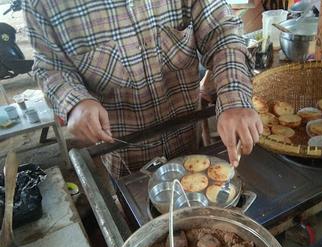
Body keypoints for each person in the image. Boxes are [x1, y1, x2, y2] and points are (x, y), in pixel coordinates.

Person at [23, 0, 263, 178]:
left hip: (188, 138)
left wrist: (233, 96)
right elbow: (50, 67)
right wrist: (75, 102)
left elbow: (221, 32)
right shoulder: (43, 4)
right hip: (124, 157)